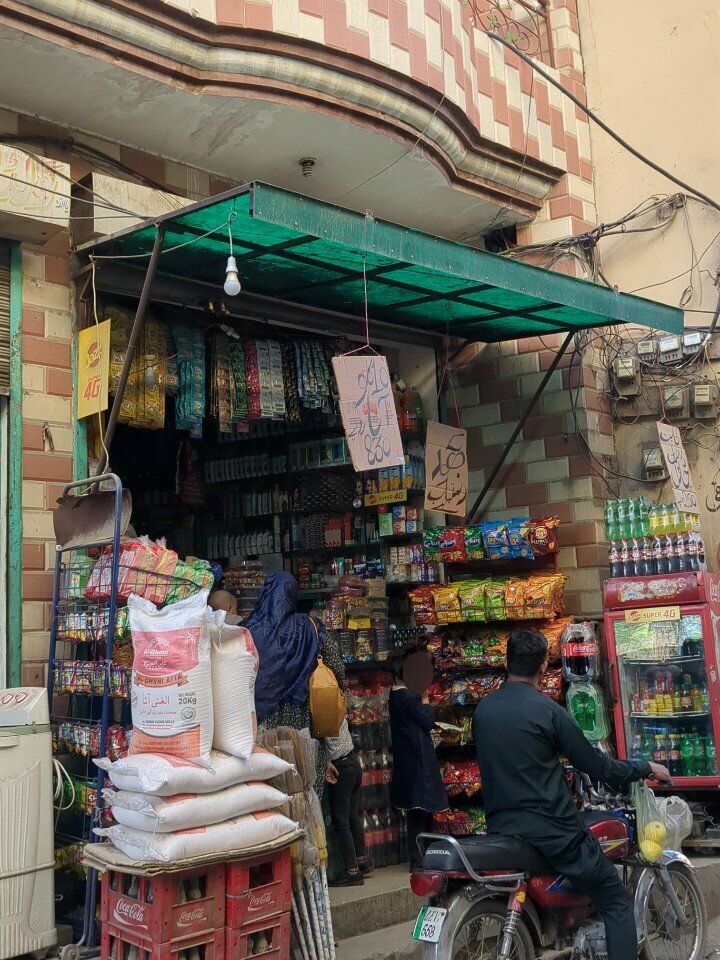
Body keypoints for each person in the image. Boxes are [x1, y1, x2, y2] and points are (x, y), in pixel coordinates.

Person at [473, 629, 671, 960]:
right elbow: (599, 767)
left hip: (503, 830)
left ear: (506, 663)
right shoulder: (549, 712)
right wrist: (644, 766)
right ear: (543, 666)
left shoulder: (484, 711)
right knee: (615, 899)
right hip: (554, 833)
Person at [243, 571, 343, 795]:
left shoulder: (247, 629)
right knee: (305, 791)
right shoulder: (309, 627)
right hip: (303, 723)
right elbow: (336, 670)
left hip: (259, 727)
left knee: (269, 792)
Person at [389, 655, 447, 871]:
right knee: (420, 807)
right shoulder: (408, 697)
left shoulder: (395, 693)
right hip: (417, 757)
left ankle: (423, 854)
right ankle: (419, 856)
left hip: (407, 755)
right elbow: (427, 721)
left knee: (419, 808)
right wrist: (426, 699)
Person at [324, 717, 372, 887]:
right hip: (352, 762)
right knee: (352, 816)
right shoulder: (336, 701)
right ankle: (362, 861)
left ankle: (352, 871)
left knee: (341, 822)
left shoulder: (322, 707)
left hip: (341, 768)